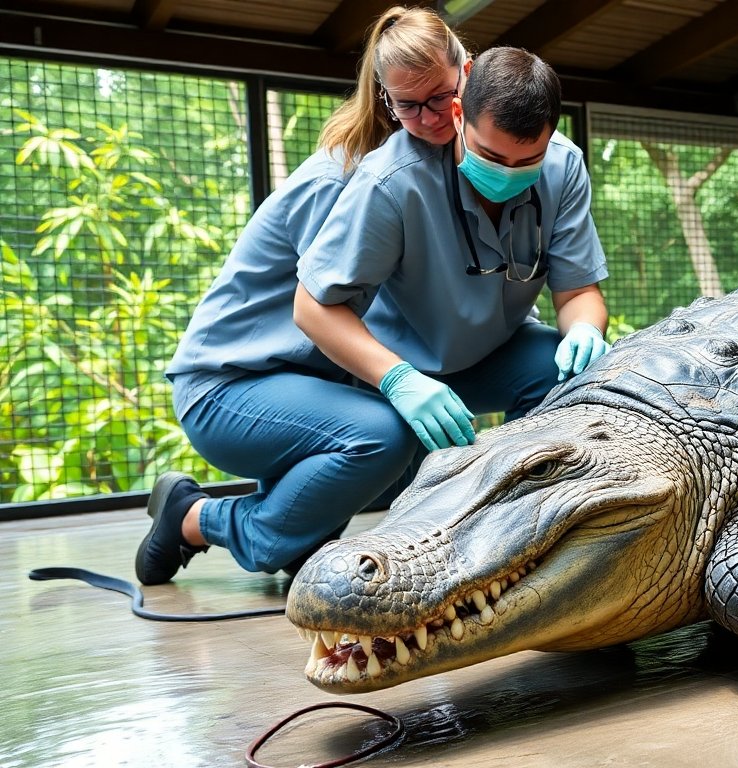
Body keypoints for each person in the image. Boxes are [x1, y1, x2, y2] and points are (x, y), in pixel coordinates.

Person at [137, 43, 612, 585]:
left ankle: (519, 531)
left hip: (359, 368)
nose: (509, 174)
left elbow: (578, 289)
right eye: (491, 156)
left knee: (563, 371)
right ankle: (210, 520)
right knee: (385, 436)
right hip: (250, 377)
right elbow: (314, 308)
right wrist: (400, 377)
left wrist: (585, 332)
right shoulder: (376, 179)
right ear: (460, 115)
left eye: (528, 161)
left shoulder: (562, 166)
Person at [137, 6, 472, 585]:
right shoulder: (346, 180)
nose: (429, 116)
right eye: (408, 105)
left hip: (306, 381)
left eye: (441, 96)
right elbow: (329, 309)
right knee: (385, 436)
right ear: (384, 98)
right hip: (228, 386)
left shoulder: (433, 164)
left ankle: (297, 530)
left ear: (466, 71)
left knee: (427, 440)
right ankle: (196, 517)